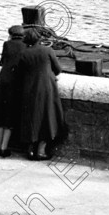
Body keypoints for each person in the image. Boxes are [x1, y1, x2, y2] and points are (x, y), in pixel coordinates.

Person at [20, 29, 67, 160]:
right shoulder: (48, 50)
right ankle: (41, 151)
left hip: (29, 89)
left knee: (31, 117)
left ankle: (30, 149)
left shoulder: (23, 53)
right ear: (39, 39)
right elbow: (58, 69)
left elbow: (20, 72)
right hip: (47, 88)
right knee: (48, 117)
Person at [0, 25, 26, 157]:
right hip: (15, 83)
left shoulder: (7, 44)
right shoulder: (26, 46)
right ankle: (4, 148)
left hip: (2, 80)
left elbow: (3, 61)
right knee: (10, 116)